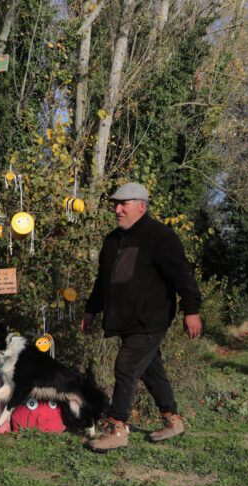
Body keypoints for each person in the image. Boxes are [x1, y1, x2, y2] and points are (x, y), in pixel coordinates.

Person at [80, 182, 202, 452]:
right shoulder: (112, 240)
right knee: (150, 369)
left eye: (123, 204)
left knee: (125, 367)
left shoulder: (160, 236)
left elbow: (183, 275)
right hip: (125, 320)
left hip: (151, 318)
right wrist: (91, 309)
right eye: (115, 204)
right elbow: (103, 282)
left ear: (141, 206)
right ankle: (172, 420)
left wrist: (191, 310)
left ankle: (117, 428)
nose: (117, 209)